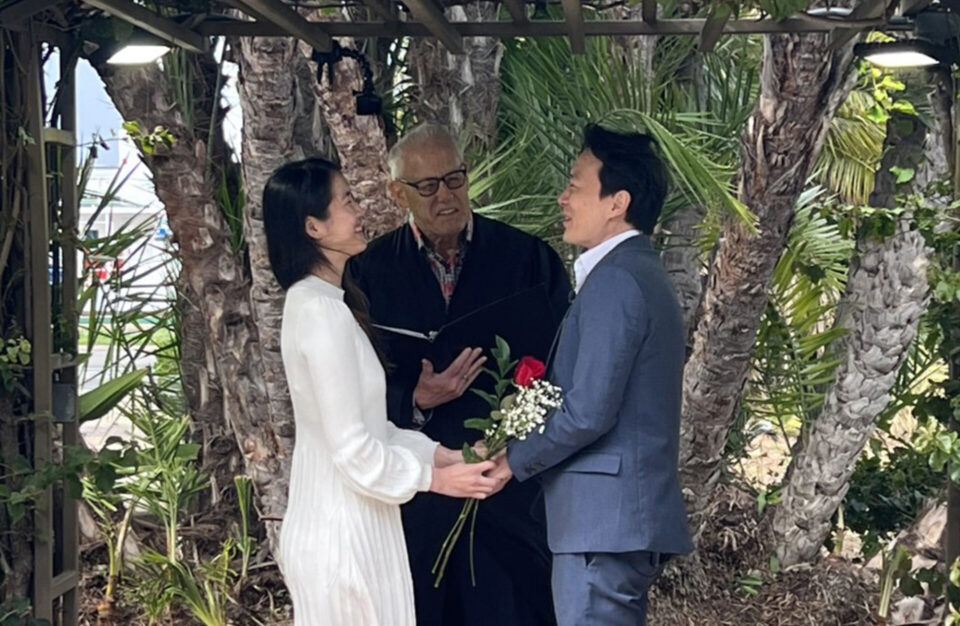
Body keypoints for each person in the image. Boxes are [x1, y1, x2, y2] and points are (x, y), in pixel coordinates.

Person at [263, 157, 503, 626]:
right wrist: (438, 480)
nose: (359, 211)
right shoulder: (319, 311)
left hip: (360, 524)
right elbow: (354, 451)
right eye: (348, 200)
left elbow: (375, 429)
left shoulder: (328, 303)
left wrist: (444, 456)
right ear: (313, 226)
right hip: (341, 536)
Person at [347, 124, 570, 626]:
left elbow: (563, 371)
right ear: (396, 192)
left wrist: (520, 444)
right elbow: (349, 390)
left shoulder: (530, 260)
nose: (445, 196)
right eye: (427, 186)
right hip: (421, 501)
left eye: (454, 179)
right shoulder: (367, 273)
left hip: (509, 494)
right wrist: (416, 397)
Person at [496, 124, 694, 626]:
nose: (562, 197)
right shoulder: (634, 274)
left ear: (616, 202)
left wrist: (512, 460)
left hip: (602, 526)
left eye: (575, 184)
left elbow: (587, 412)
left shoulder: (618, 282)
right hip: (611, 524)